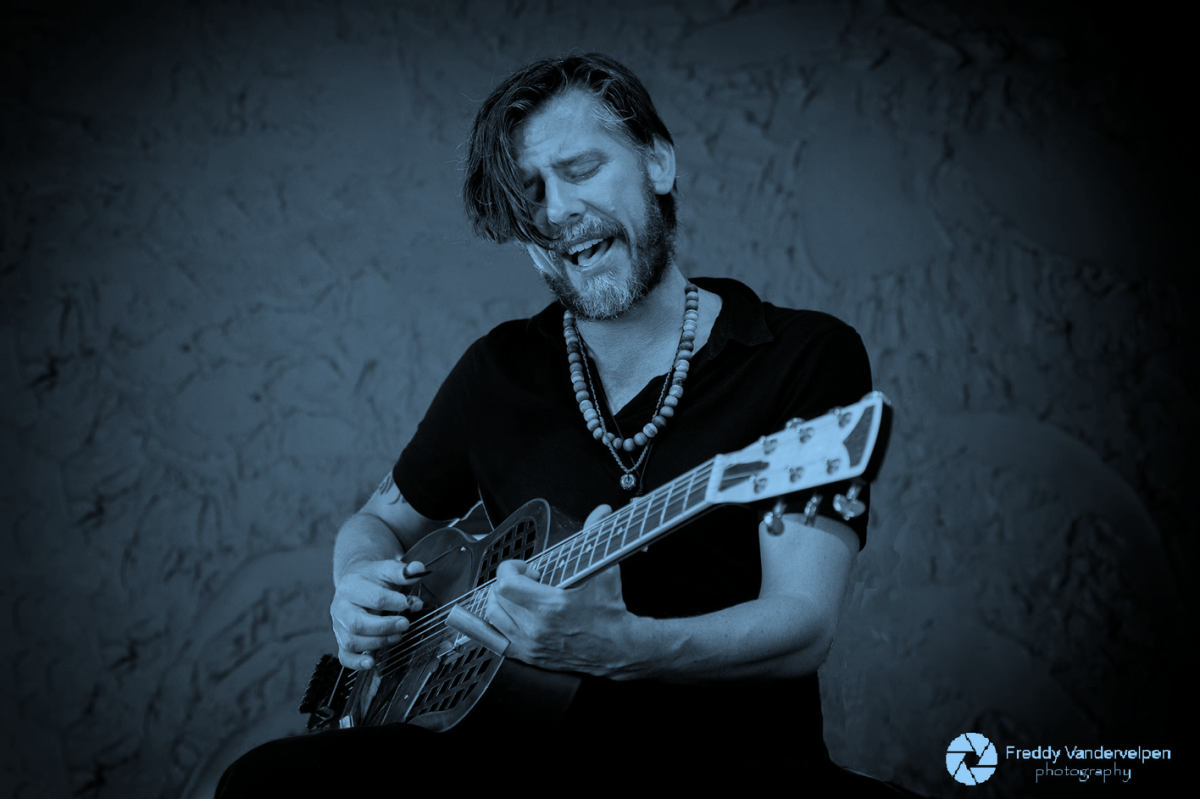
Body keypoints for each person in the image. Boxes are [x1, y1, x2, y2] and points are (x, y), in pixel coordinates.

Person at [217, 52, 905, 795]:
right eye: (531, 193)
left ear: (659, 163)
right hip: (510, 753)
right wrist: (355, 581)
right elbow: (377, 522)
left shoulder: (802, 356)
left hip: (731, 764)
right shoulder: (497, 371)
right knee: (265, 783)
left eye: (582, 170)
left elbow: (802, 625)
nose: (556, 211)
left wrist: (624, 647)